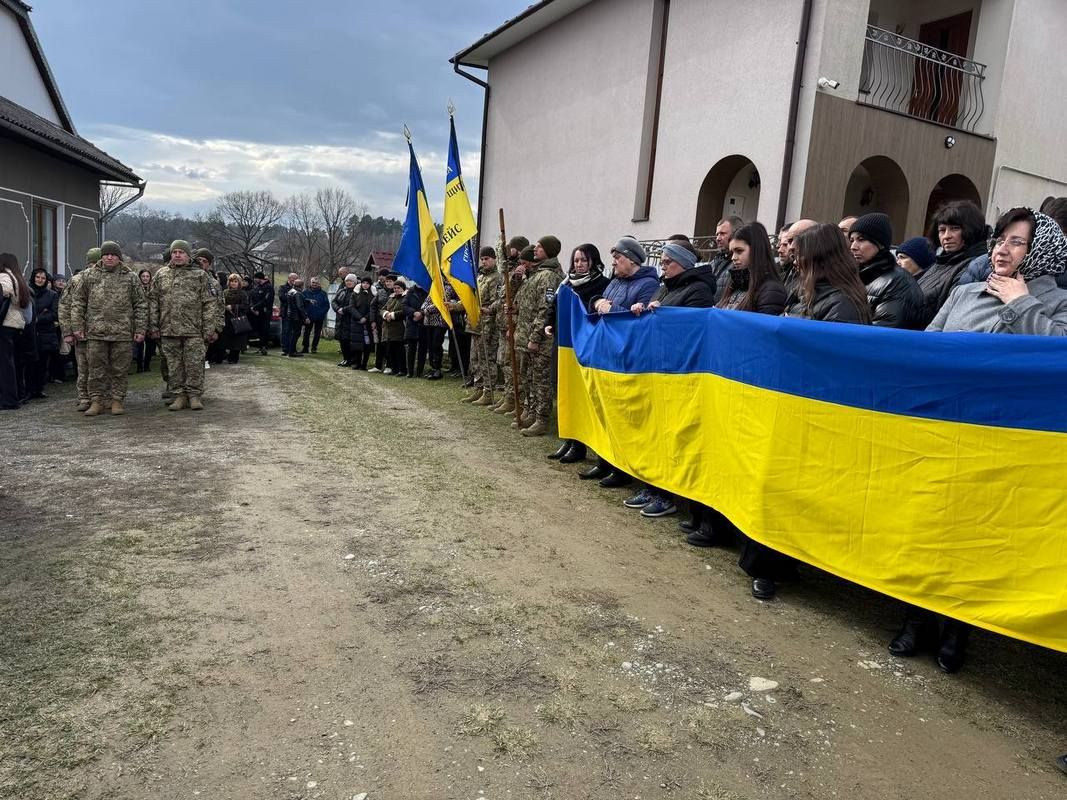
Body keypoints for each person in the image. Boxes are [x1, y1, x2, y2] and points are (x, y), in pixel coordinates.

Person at [889, 208, 1067, 673]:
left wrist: (1020, 303)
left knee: (974, 537)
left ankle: (956, 630)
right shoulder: (965, 290)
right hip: (945, 428)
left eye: (1016, 242)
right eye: (999, 239)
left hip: (1002, 439)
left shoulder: (1058, 305)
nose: (1001, 250)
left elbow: (1057, 358)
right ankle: (915, 619)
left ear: (1041, 252)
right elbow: (926, 348)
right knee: (929, 525)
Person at [625, 239, 719, 517]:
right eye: (662, 262)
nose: (662, 267)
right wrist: (644, 311)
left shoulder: (699, 290)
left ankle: (668, 494)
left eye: (668, 262)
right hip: (659, 367)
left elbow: (692, 330)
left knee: (673, 435)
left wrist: (662, 316)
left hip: (681, 372)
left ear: (684, 263)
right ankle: (652, 486)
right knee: (656, 433)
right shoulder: (666, 286)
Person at [579, 237, 660, 488]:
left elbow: (634, 317)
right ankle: (604, 460)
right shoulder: (614, 280)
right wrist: (597, 303)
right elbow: (597, 302)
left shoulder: (648, 284)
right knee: (606, 410)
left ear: (632, 260)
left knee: (624, 415)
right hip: (607, 354)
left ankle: (621, 468)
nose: (613, 262)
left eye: (618, 258)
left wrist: (608, 306)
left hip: (628, 357)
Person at [546, 243, 610, 463]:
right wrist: (549, 324)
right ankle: (569, 439)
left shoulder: (602, 284)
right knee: (564, 391)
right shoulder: (565, 284)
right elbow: (554, 307)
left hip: (584, 348)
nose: (579, 264)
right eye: (576, 260)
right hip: (563, 346)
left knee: (582, 396)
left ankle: (580, 445)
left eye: (584, 260)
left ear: (593, 261)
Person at [70, 241, 147, 416]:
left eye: (113, 254)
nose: (109, 257)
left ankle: (117, 400)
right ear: (102, 257)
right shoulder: (89, 276)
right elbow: (78, 302)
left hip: (122, 333)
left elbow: (140, 304)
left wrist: (140, 328)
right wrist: (77, 326)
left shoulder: (131, 277)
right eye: (106, 254)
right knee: (96, 369)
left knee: (120, 369)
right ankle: (96, 400)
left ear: (119, 257)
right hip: (96, 332)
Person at [148, 240, 220, 411]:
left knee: (194, 364)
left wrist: (209, 328)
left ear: (188, 255)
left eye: (181, 252)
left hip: (194, 330)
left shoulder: (200, 275)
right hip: (169, 329)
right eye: (175, 252)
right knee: (174, 366)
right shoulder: (161, 275)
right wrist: (153, 326)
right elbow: (153, 301)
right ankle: (179, 395)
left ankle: (194, 395)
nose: (177, 255)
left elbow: (209, 303)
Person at [516, 236, 565, 436]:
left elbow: (545, 309)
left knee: (541, 380)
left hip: (542, 339)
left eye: (539, 246)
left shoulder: (550, 276)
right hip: (528, 335)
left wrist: (535, 337)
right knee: (531, 377)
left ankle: (542, 419)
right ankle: (532, 412)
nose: (535, 249)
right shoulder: (538, 273)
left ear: (549, 250)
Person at [917, 200, 988, 327]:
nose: (946, 236)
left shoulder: (976, 268)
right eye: (942, 230)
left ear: (971, 229)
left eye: (955, 229)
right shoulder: (940, 263)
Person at [785, 224, 874, 324]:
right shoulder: (806, 293)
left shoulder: (842, 305)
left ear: (820, 259)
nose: (795, 262)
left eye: (801, 255)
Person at [848, 213, 924, 328]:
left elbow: (884, 333)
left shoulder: (898, 283)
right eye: (852, 240)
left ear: (880, 244)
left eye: (861, 239)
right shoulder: (859, 275)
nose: (853, 246)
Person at [492, 243, 531, 414]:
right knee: (504, 361)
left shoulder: (524, 273)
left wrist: (512, 325)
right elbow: (505, 298)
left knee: (512, 365)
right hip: (503, 323)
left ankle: (516, 399)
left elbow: (518, 301)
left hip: (515, 326)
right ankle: (509, 396)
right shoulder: (510, 271)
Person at [58, 248, 100, 410]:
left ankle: (100, 396)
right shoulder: (76, 280)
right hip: (81, 332)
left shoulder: (110, 279)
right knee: (83, 367)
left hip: (103, 333)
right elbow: (64, 307)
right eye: (92, 263)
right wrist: (67, 332)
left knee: (102, 367)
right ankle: (84, 397)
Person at [463, 247, 503, 405]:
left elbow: (498, 300)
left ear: (494, 259)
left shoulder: (498, 278)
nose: (484, 261)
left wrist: (489, 309)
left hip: (488, 325)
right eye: (482, 259)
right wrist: (457, 306)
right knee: (475, 359)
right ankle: (478, 388)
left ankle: (489, 392)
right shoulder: (479, 278)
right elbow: (473, 299)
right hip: (475, 323)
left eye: (487, 258)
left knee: (487, 359)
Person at [0, 253, 30, 410]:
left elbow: (4, 292)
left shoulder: (4, 276)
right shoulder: (18, 277)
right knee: (11, 363)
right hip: (16, 324)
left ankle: (8, 400)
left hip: (5, 324)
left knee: (5, 365)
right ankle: (14, 396)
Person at [27, 268, 59, 399]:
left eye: (43, 278)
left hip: (45, 334)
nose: (40, 280)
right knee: (29, 364)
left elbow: (54, 313)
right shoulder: (28, 291)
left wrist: (38, 318)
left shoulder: (52, 294)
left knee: (42, 363)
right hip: (29, 333)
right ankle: (29, 389)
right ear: (33, 278)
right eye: (38, 277)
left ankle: (39, 389)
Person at [381, 277, 408, 375]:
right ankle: (394, 368)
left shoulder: (405, 298)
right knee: (391, 350)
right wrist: (385, 314)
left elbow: (404, 311)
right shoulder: (391, 298)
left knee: (400, 350)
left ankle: (402, 369)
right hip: (389, 329)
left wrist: (392, 315)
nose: (396, 289)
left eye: (398, 288)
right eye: (395, 288)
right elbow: (382, 309)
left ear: (403, 288)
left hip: (400, 328)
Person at [221, 273, 250, 363]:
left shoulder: (242, 293)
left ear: (239, 283)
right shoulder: (225, 292)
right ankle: (224, 355)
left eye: (235, 281)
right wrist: (225, 307)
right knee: (225, 339)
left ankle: (234, 357)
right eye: (231, 281)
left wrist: (233, 307)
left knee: (237, 340)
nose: (233, 283)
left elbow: (245, 306)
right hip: (226, 318)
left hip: (237, 318)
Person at [368, 268, 393, 372]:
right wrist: (373, 320)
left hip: (392, 322)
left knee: (389, 344)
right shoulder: (380, 292)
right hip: (379, 322)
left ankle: (389, 365)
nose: (387, 283)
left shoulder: (397, 291)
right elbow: (373, 306)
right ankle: (378, 366)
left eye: (389, 281)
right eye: (386, 281)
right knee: (379, 344)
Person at [332, 273, 359, 367]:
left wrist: (343, 309)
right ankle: (345, 358)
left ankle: (352, 359)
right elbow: (334, 301)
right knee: (342, 340)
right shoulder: (341, 291)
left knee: (349, 341)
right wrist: (337, 309)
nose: (348, 282)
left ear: (355, 282)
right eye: (347, 281)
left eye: (350, 281)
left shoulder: (356, 292)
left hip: (350, 319)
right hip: (340, 319)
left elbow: (354, 305)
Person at [133, 268, 157, 373]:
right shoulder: (136, 289)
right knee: (139, 344)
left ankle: (147, 365)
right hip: (139, 320)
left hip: (151, 320)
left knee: (150, 345)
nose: (145, 278)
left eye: (147, 276)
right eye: (143, 276)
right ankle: (139, 366)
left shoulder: (154, 289)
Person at [403, 280, 427, 378]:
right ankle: (410, 371)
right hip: (412, 323)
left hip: (424, 323)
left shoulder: (428, 290)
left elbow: (431, 304)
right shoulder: (411, 291)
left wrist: (422, 313)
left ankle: (419, 371)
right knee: (411, 348)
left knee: (423, 349)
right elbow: (404, 305)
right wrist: (413, 312)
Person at [300, 277, 329, 353]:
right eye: (313, 282)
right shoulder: (305, 292)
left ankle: (314, 348)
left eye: (316, 283)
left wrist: (321, 313)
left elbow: (327, 306)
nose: (314, 284)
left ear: (319, 284)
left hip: (319, 317)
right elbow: (302, 303)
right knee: (307, 332)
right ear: (310, 283)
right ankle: (305, 348)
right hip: (308, 316)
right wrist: (305, 314)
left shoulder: (323, 293)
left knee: (317, 333)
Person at [249, 271, 275, 355]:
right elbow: (254, 299)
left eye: (255, 278)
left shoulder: (268, 287)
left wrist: (255, 307)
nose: (254, 280)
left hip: (265, 312)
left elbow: (266, 300)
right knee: (260, 330)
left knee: (264, 329)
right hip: (257, 312)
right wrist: (253, 308)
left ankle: (264, 347)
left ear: (259, 278)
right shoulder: (258, 287)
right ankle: (261, 347)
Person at [283, 278, 308, 357]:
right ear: (301, 286)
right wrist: (305, 317)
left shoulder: (290, 291)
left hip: (290, 315)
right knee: (296, 334)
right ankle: (292, 352)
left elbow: (295, 301)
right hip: (296, 317)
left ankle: (291, 350)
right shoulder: (298, 293)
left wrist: (308, 300)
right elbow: (300, 306)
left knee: (291, 333)